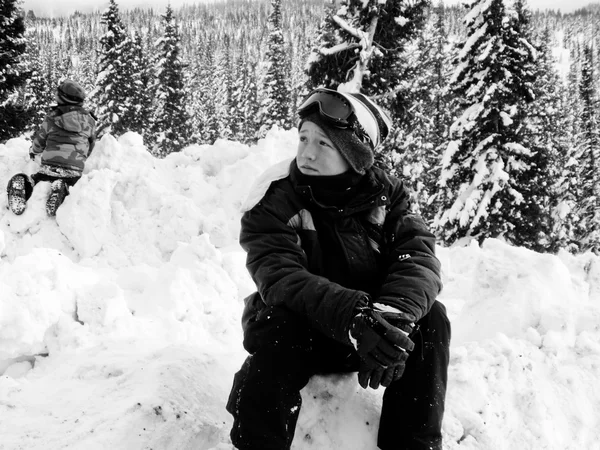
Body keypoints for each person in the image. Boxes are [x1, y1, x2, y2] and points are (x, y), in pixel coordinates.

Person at [226, 87, 451, 450]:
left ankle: (413, 444)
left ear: (354, 154)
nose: (307, 153)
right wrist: (354, 317)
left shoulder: (386, 194)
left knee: (432, 320)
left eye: (324, 144)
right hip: (305, 328)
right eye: (303, 138)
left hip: (372, 334)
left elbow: (418, 257)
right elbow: (281, 277)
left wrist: (393, 318)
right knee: (277, 325)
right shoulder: (274, 197)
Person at [6, 79, 96, 216]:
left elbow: (40, 141)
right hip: (74, 170)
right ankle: (62, 188)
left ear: (63, 98)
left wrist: (33, 151)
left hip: (50, 166)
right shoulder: (89, 121)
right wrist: (80, 157)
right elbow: (91, 145)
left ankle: (25, 185)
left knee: (36, 179)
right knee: (71, 184)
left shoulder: (52, 117)